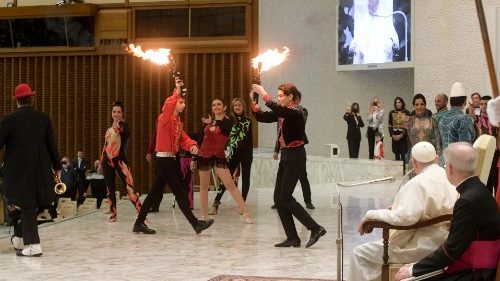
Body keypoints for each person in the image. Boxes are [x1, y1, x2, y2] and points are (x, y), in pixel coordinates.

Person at [348, 141, 458, 281]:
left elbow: (404, 219)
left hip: (421, 245)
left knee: (360, 253)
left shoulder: (418, 182)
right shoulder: (450, 177)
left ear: (413, 162)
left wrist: (370, 215)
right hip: (445, 242)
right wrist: (395, 208)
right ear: (436, 158)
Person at [395, 142, 500, 281]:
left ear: (449, 168)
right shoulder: (478, 190)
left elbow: (451, 251)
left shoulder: (467, 201)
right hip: (471, 264)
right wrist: (418, 265)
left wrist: (414, 269)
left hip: (475, 273)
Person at [133, 77, 214, 235]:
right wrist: (176, 91)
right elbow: (167, 106)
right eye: (180, 102)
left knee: (154, 192)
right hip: (163, 159)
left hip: (171, 159)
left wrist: (192, 146)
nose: (183, 104)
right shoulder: (163, 118)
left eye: (183, 102)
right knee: (179, 191)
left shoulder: (178, 122)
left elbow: (183, 138)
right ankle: (195, 224)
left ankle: (138, 223)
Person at [251, 82, 326, 248]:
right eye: (277, 96)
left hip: (296, 156)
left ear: (290, 97)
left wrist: (264, 93)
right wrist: (254, 106)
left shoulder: (298, 112)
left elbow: (279, 110)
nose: (278, 99)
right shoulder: (282, 113)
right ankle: (292, 237)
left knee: (285, 197)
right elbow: (263, 117)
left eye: (281, 96)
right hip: (286, 156)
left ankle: (315, 228)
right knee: (278, 199)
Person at [0, 83, 61, 257]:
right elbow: (52, 146)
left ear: (16, 101)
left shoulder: (9, 119)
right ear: (32, 98)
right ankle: (19, 238)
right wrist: (57, 168)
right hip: (41, 170)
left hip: (19, 172)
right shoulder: (44, 118)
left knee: (27, 204)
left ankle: (34, 245)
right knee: (34, 204)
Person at [197, 98, 253, 224]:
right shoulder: (208, 122)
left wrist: (212, 123)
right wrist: (194, 157)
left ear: (225, 107)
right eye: (214, 105)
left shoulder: (229, 121)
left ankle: (246, 213)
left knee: (230, 185)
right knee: (203, 187)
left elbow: (224, 130)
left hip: (218, 156)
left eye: (219, 105)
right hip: (203, 156)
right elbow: (202, 139)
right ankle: (203, 216)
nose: (216, 107)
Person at [98, 101, 142, 222]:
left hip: (120, 162)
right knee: (109, 188)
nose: (116, 114)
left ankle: (141, 213)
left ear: (122, 114)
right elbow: (105, 147)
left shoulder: (124, 125)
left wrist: (119, 126)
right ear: (111, 113)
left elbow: (124, 132)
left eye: (118, 112)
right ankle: (113, 214)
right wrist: (101, 162)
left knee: (130, 188)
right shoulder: (108, 130)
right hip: (107, 161)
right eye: (114, 112)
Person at [271, 94, 315, 210]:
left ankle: (308, 201)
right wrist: (276, 149)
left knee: (302, 176)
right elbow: (279, 132)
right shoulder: (282, 113)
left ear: (297, 100)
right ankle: (278, 200)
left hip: (297, 149)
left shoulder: (301, 111)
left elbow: (297, 123)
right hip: (285, 150)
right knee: (281, 176)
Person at [438, 82, 475, 166]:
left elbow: (440, 143)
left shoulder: (442, 118)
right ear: (465, 102)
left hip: (442, 163)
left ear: (450, 102)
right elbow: (465, 147)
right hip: (457, 165)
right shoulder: (464, 118)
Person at [407, 94, 440, 159]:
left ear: (425, 105)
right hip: (415, 156)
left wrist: (438, 155)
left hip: (429, 156)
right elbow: (408, 141)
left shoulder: (432, 121)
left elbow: (438, 141)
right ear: (414, 106)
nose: (419, 107)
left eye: (422, 104)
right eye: (417, 104)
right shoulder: (409, 121)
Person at [388, 97, 410, 166]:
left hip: (403, 136)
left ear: (402, 103)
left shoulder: (407, 112)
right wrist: (392, 135)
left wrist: (401, 135)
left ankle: (403, 171)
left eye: (399, 102)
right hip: (394, 136)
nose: (397, 104)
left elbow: (407, 126)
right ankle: (397, 171)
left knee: (403, 154)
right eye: (396, 102)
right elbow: (390, 125)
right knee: (396, 154)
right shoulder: (391, 112)